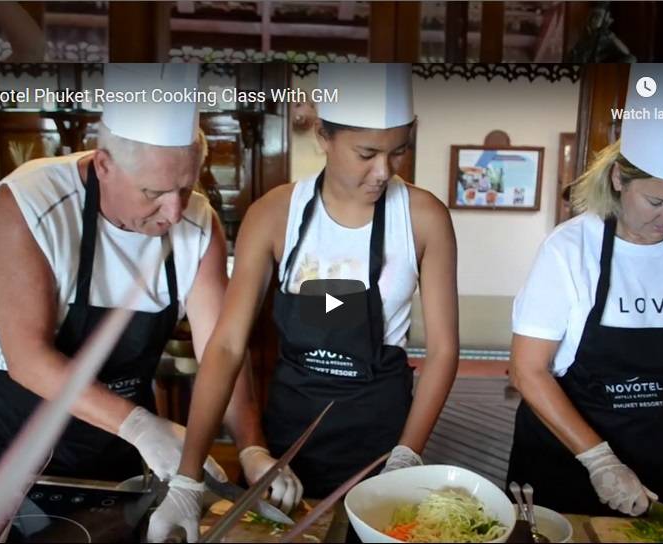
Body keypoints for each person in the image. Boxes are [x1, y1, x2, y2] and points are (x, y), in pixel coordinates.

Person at [148, 63, 460, 542]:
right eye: (366, 153)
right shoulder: (275, 214)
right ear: (322, 135)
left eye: (398, 150)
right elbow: (227, 345)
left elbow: (443, 350)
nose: (384, 171)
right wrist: (190, 477)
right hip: (289, 437)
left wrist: (406, 454)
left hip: (381, 431)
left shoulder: (423, 217)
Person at [0, 64, 279, 487]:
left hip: (121, 434)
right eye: (153, 192)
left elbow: (220, 350)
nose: (174, 212)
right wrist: (140, 425)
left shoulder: (199, 223)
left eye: (185, 189)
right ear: (104, 165)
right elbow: (28, 358)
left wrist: (251, 447)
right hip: (21, 425)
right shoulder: (29, 202)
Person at [507, 63, 663, 526]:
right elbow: (528, 369)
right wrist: (599, 460)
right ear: (619, 179)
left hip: (658, 454)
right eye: (657, 202)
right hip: (564, 459)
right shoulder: (570, 247)